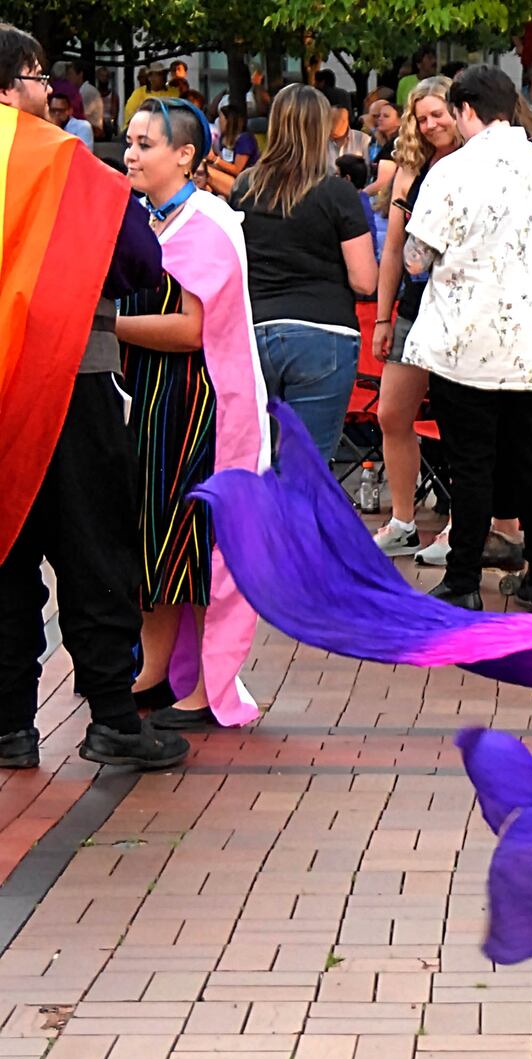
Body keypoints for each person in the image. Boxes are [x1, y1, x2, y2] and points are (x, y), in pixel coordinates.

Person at [0, 24, 190, 771]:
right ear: (13, 82)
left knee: (5, 555)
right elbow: (141, 260)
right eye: (40, 75)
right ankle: (112, 714)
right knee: (91, 546)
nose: (50, 90)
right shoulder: (59, 161)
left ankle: (10, 726)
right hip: (67, 380)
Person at [402, 64, 532, 610]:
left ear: (465, 111)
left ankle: (463, 579)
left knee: (472, 464)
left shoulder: (452, 171)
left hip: (468, 342)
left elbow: (417, 257)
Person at [117, 97, 270, 731]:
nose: (131, 153)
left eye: (146, 143)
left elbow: (191, 330)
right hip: (156, 404)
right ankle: (154, 672)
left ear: (185, 155)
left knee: (194, 547)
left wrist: (107, 328)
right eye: (129, 140)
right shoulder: (147, 219)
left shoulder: (204, 224)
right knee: (153, 542)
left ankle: (206, 684)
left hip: (198, 409)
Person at [232, 84, 378, 462]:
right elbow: (365, 279)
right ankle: (299, 524)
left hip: (256, 329)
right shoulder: (337, 193)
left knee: (260, 459)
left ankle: (263, 524)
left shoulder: (244, 187)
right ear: (321, 129)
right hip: (323, 333)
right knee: (305, 470)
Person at [371, 77, 460, 560]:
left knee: (458, 419)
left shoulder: (475, 164)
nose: (430, 125)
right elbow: (392, 249)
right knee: (392, 413)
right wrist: (383, 317)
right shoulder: (410, 169)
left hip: (461, 308)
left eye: (438, 113)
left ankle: (461, 525)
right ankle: (404, 520)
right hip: (413, 302)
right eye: (421, 117)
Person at [206, 103, 258, 201]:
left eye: (220, 118)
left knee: (207, 173)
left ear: (229, 121)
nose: (218, 121)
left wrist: (214, 159)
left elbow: (237, 170)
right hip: (227, 177)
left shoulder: (245, 139)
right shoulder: (224, 138)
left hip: (244, 182)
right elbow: (223, 162)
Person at [121, 60, 177, 129]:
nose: (163, 76)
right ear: (150, 77)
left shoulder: (174, 92)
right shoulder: (138, 93)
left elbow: (179, 115)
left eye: (165, 73)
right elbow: (131, 119)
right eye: (159, 74)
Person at [324, 87, 371, 166]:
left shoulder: (362, 139)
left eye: (335, 121)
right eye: (329, 122)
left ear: (345, 121)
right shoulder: (320, 141)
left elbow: (367, 168)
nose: (331, 126)